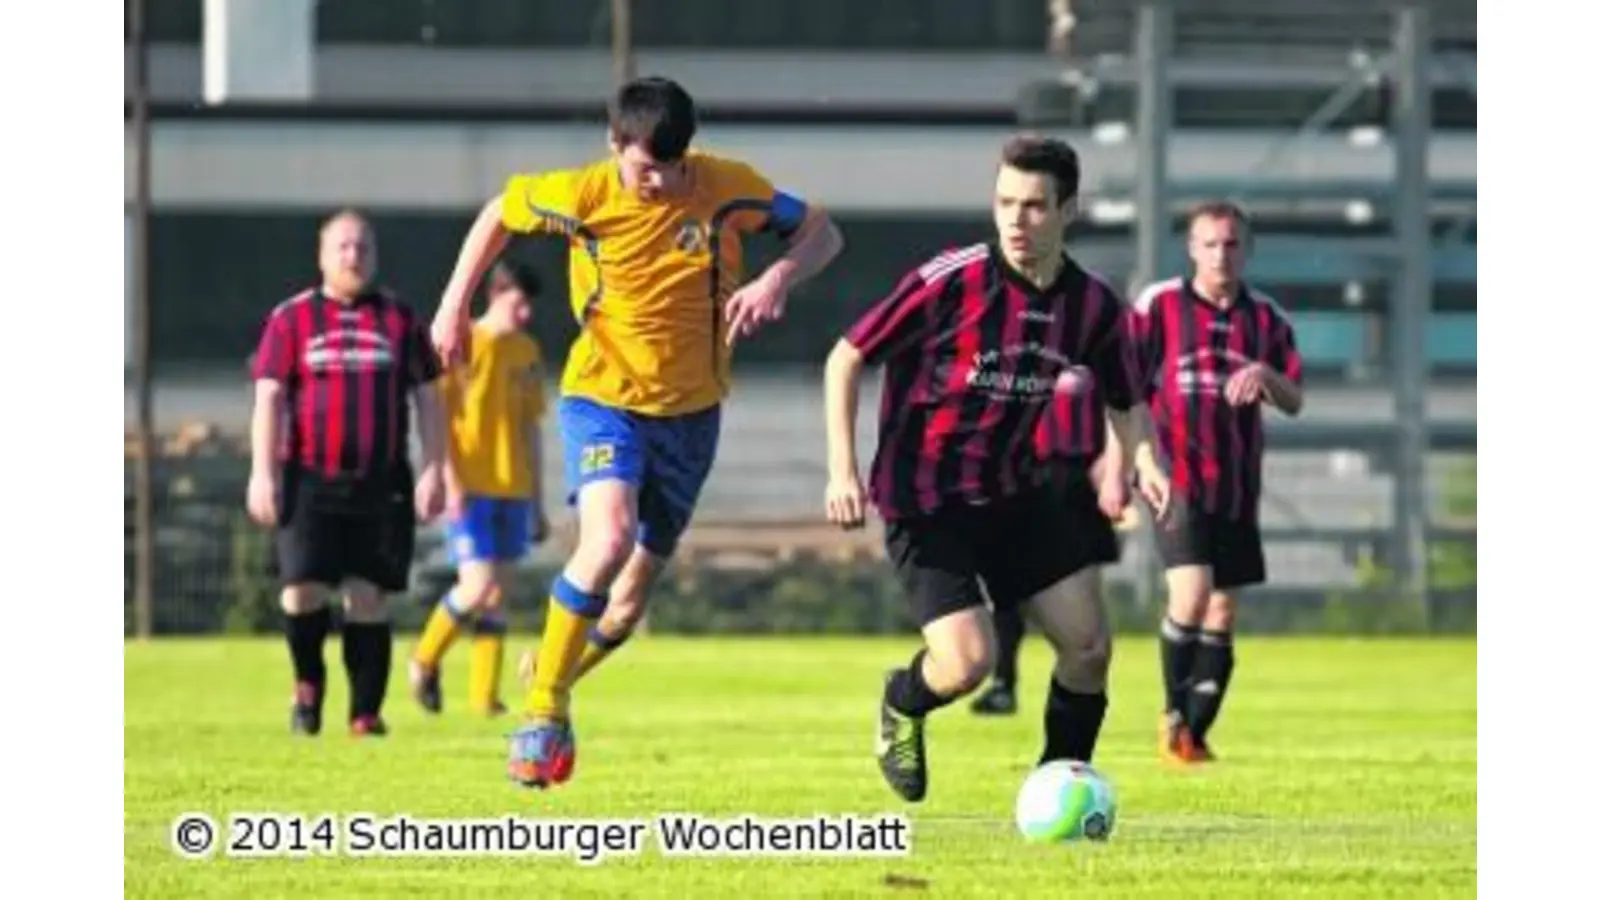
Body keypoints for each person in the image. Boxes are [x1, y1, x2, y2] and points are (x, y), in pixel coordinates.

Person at [429, 76, 844, 788]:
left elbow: (823, 232)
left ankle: (554, 664)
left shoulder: (724, 187)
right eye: (644, 166)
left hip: (693, 413)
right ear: (613, 144)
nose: (659, 181)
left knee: (627, 603)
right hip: (604, 400)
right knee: (608, 538)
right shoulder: (583, 194)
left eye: (673, 167)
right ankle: (543, 710)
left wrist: (778, 278)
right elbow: (500, 210)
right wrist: (451, 304)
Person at [822, 135, 1171, 803]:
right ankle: (902, 702)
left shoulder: (1092, 306)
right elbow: (846, 357)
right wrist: (842, 470)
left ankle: (1060, 788)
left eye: (1035, 206)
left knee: (1090, 648)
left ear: (1068, 210)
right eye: (1006, 202)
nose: (1016, 219)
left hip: (1012, 493)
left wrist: (1142, 461)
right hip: (923, 500)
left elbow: (1125, 395)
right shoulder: (952, 279)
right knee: (969, 665)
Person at [246, 210, 448, 737]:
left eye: (362, 247)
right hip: (308, 478)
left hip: (381, 482)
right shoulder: (291, 320)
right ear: (322, 256)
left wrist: (435, 470)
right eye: (342, 247)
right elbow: (268, 397)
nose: (353, 256)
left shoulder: (400, 319)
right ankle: (307, 690)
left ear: (374, 254)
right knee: (301, 590)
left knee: (368, 596)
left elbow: (429, 397)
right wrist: (261, 474)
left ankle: (365, 713)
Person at [1128, 200, 1305, 764]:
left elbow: (1295, 400)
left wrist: (1265, 374)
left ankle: (1193, 736)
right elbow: (1123, 389)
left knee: (1222, 611)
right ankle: (1171, 711)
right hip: (1173, 476)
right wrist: (1121, 466)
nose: (1221, 254)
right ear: (1191, 249)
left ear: (1245, 249)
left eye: (1231, 244)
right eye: (1210, 244)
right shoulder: (1159, 306)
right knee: (1192, 592)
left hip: (1237, 484)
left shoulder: (1268, 320)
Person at [408, 259, 551, 718]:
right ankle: (423, 660)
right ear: (497, 293)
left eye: (530, 305)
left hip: (514, 487)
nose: (525, 314)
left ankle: (484, 698)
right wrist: (448, 478)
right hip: (470, 487)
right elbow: (440, 416)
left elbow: (532, 429)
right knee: (476, 586)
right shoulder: (463, 341)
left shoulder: (527, 351)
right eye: (518, 302)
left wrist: (538, 501)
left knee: (497, 595)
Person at [970, 389, 1129, 717]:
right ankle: (1003, 683)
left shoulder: (1094, 343)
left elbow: (1126, 399)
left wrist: (1115, 467)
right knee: (1006, 592)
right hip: (1019, 474)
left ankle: (1082, 690)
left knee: (1082, 600)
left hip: (1079, 478)